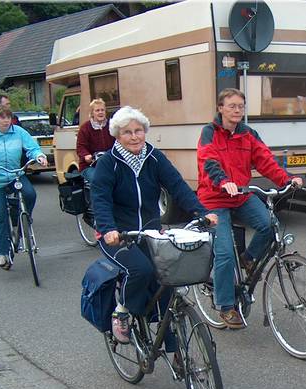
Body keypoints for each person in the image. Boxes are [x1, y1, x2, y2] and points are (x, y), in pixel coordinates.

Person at [91, 106, 217, 347]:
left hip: (150, 232)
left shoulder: (154, 157)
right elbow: (101, 199)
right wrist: (108, 228)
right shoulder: (109, 163)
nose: (135, 136)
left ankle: (172, 340)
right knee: (141, 271)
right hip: (120, 235)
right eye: (127, 132)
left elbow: (177, 186)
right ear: (117, 135)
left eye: (139, 130)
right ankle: (122, 312)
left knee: (167, 276)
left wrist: (202, 212)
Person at [196, 88, 303, 329]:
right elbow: (208, 161)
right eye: (232, 106)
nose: (237, 110)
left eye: (240, 106)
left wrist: (286, 180)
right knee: (223, 253)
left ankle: (248, 257)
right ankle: (226, 306)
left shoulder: (248, 134)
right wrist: (223, 181)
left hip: (240, 195)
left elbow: (265, 160)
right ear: (220, 108)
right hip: (214, 198)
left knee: (268, 224)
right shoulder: (209, 133)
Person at [0, 105, 48, 270]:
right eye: (2, 118)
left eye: (8, 117)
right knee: (0, 214)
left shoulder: (19, 132)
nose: (6, 121)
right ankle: (2, 253)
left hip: (15, 175)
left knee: (30, 195)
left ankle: (24, 221)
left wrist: (39, 156)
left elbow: (32, 148)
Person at [76, 98, 114, 182]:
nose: (100, 112)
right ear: (92, 113)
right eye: (97, 110)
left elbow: (118, 142)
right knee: (97, 179)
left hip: (109, 163)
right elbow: (80, 147)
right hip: (90, 166)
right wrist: (86, 156)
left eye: (102, 110)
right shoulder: (85, 128)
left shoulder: (112, 126)